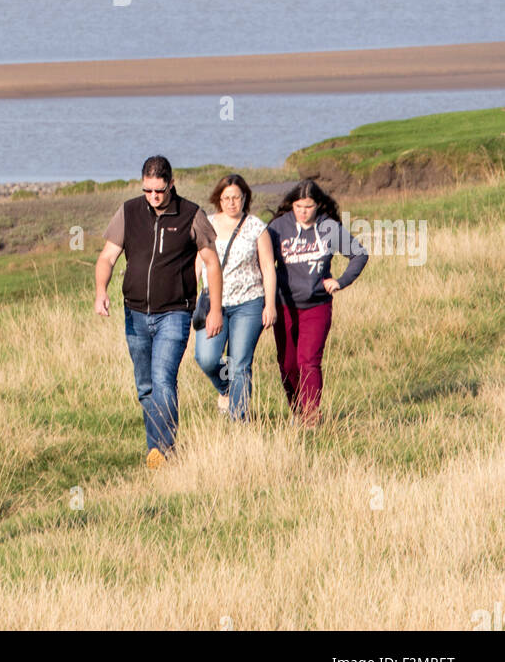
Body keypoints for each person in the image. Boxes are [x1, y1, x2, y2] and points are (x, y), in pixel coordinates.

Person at [95, 155, 222, 467]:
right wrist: (101, 292)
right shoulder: (128, 212)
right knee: (146, 386)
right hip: (135, 313)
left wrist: (215, 309)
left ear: (172, 183)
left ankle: (163, 451)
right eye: (147, 191)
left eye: (159, 191)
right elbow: (107, 258)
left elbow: (212, 263)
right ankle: (158, 449)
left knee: (163, 379)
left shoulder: (191, 214)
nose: (153, 197)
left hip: (175, 313)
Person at [267, 178, 368, 425]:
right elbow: (261, 259)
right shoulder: (278, 227)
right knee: (288, 364)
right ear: (292, 205)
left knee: (308, 361)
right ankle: (298, 411)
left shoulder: (329, 227)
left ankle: (312, 417)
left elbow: (359, 254)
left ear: (318, 205)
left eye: (309, 206)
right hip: (284, 305)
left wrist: (341, 281)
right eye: (298, 206)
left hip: (317, 305)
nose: (303, 211)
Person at [194, 172, 277, 421]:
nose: (231, 203)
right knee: (206, 358)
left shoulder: (256, 227)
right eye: (226, 197)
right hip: (212, 302)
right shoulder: (205, 224)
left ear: (245, 198)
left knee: (240, 363)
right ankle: (227, 390)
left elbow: (268, 267)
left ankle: (239, 419)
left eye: (237, 198)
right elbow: (198, 262)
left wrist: (270, 304)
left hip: (249, 303)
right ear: (218, 199)